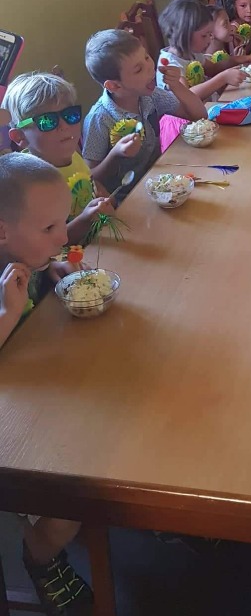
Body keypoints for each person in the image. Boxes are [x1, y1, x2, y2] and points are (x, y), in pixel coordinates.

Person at [0, 153, 94, 614]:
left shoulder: (27, 256)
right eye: (50, 228)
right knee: (67, 502)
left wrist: (50, 271)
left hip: (46, 386)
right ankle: (41, 557)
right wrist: (7, 315)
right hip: (15, 420)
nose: (63, 237)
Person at [82, 29, 206, 196]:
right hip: (126, 198)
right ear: (114, 86)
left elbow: (199, 115)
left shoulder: (150, 95)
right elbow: (91, 178)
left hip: (159, 181)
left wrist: (176, 85)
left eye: (147, 57)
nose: (150, 68)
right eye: (138, 69)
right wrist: (115, 155)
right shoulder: (99, 118)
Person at [4, 72, 115, 245]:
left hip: (100, 240)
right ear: (20, 136)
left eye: (70, 115)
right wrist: (86, 219)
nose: (64, 126)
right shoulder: (30, 181)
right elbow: (48, 244)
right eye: (47, 121)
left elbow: (90, 182)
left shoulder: (70, 153)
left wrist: (106, 199)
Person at [156, 0, 247, 102]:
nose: (209, 39)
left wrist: (240, 60)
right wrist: (223, 78)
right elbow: (187, 97)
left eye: (210, 34)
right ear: (186, 35)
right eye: (204, 35)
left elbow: (213, 69)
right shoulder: (169, 65)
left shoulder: (192, 54)